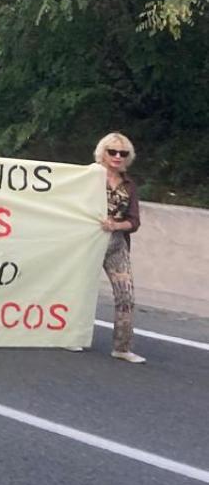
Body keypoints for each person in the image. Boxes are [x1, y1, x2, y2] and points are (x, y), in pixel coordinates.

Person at [97, 133, 145, 364]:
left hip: (116, 244)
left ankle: (122, 347)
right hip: (87, 242)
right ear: (103, 153)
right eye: (112, 151)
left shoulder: (129, 185)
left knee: (126, 294)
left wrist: (116, 225)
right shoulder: (89, 177)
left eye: (123, 153)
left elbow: (134, 221)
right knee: (77, 290)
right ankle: (70, 335)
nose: (117, 156)